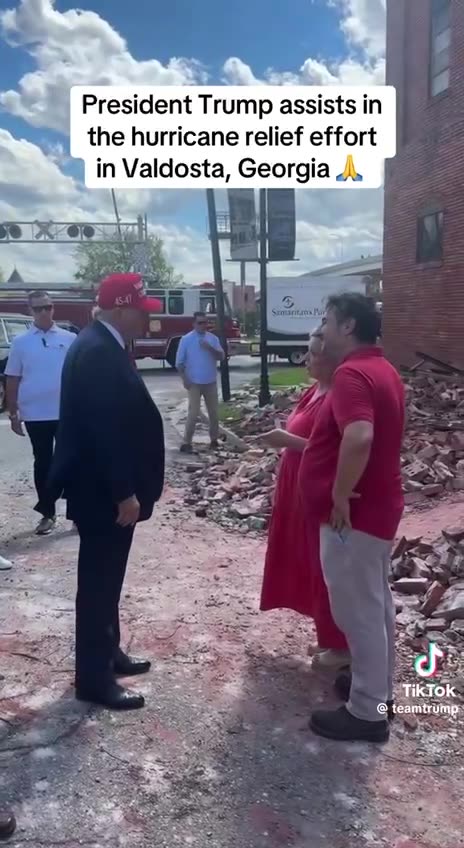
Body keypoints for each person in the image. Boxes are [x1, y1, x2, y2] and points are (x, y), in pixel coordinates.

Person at [49, 273, 165, 711]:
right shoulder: (98, 351)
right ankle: (93, 679)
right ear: (120, 308)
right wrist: (124, 492)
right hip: (104, 495)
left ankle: (108, 653)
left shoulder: (101, 343)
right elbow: (104, 432)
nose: (146, 318)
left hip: (103, 492)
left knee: (107, 580)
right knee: (98, 584)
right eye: (141, 310)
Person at [299, 293, 404, 743]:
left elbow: (360, 436)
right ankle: (377, 691)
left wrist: (340, 494)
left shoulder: (352, 374)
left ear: (347, 326)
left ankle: (366, 713)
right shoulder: (385, 369)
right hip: (377, 509)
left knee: (357, 611)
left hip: (354, 517)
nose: (321, 329)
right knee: (374, 606)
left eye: (327, 321)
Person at [255, 331, 349, 667]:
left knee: (325, 566)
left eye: (311, 353)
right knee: (306, 560)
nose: (306, 359)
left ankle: (341, 646)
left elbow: (342, 452)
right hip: (297, 485)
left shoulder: (339, 395)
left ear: (331, 358)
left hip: (320, 490)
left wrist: (288, 441)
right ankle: (328, 636)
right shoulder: (315, 389)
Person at [5, 291, 75, 535]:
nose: (44, 312)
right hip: (36, 414)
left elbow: (80, 375)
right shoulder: (21, 342)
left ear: (54, 308)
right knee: (43, 463)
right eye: (38, 308)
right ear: (30, 311)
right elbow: (12, 377)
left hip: (67, 412)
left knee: (71, 462)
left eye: (48, 307)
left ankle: (76, 512)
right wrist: (13, 413)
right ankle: (48, 513)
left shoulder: (70, 338)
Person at [176, 312, 224, 453]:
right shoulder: (186, 339)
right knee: (194, 412)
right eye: (200, 323)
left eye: (205, 322)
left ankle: (214, 440)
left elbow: (221, 356)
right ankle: (187, 442)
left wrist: (210, 348)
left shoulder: (212, 339)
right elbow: (179, 363)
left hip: (210, 381)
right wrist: (185, 379)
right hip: (194, 382)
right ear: (194, 324)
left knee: (214, 412)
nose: (203, 325)